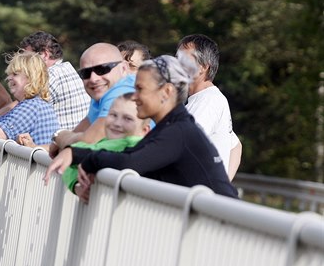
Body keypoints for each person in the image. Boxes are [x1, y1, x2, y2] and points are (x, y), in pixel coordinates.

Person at [45, 55, 239, 201]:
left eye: (140, 89)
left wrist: (83, 158)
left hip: (223, 234)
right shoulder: (172, 127)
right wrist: (76, 154)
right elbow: (129, 153)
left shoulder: (178, 132)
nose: (134, 96)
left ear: (166, 92)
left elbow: (129, 161)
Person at [49, 43, 135, 156]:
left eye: (102, 69)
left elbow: (87, 142)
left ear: (124, 68)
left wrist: (59, 135)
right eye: (86, 73)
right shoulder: (101, 94)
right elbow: (79, 136)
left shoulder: (122, 92)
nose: (93, 79)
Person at [176, 34, 242, 180]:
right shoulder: (209, 99)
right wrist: (224, 186)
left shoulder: (208, 101)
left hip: (195, 196)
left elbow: (182, 145)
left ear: (203, 67)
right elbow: (236, 146)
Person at [0, 51, 60, 145]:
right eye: (9, 74)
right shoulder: (31, 104)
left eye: (15, 74)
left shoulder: (32, 106)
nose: (8, 78)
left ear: (31, 77)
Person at [62, 93, 151, 195]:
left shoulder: (133, 143)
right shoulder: (104, 142)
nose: (117, 123)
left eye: (128, 118)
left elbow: (70, 158)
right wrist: (76, 184)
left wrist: (72, 152)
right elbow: (66, 165)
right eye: (113, 115)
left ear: (144, 131)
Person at [19, 31, 90, 130]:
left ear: (44, 54)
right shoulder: (65, 68)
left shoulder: (51, 75)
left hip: (60, 142)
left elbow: (24, 113)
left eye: (28, 58)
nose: (24, 65)